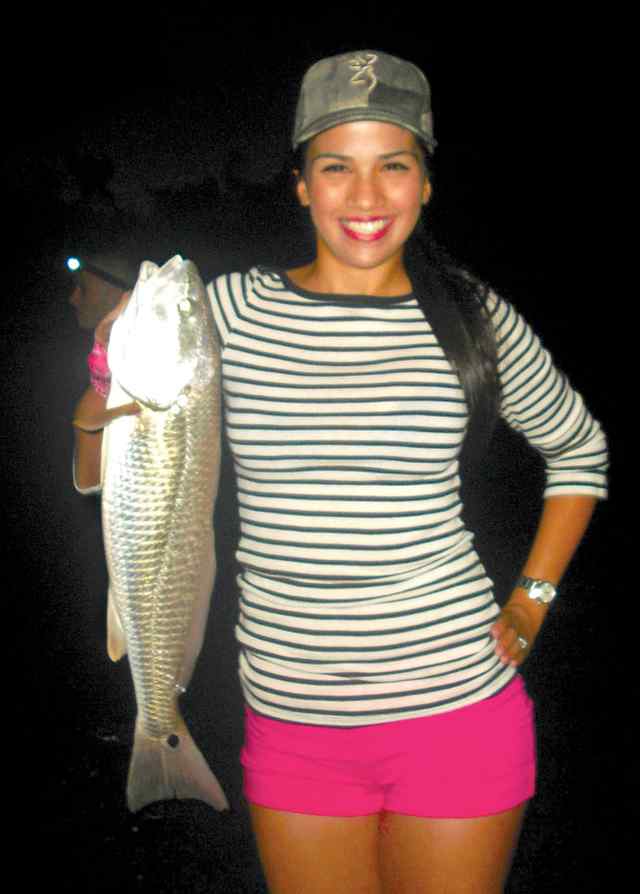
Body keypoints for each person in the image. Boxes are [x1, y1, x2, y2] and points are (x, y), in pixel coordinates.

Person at [74, 51, 608, 892]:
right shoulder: (229, 311)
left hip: (458, 712)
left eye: (393, 166)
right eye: (337, 168)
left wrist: (532, 596)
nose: (365, 198)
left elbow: (580, 450)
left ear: (426, 182)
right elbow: (110, 464)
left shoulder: (475, 318)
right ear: (300, 184)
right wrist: (103, 374)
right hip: (293, 728)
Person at [68, 250, 140, 492]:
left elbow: (90, 484)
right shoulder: (67, 354)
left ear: (121, 294)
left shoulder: (145, 361)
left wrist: (104, 378)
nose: (73, 298)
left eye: (83, 289)